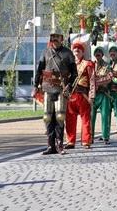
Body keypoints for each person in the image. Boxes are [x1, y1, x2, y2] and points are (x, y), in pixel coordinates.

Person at [33, 25, 77, 155]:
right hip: (47, 87)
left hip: (61, 89)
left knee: (60, 116)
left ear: (61, 38)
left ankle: (59, 145)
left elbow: (74, 73)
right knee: (47, 117)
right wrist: (36, 85)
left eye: (56, 37)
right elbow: (39, 70)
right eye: (52, 37)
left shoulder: (68, 53)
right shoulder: (45, 52)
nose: (54, 39)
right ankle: (50, 145)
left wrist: (69, 85)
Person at [65, 41, 95, 149]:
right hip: (71, 95)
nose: (76, 50)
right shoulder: (69, 64)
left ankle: (86, 141)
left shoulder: (88, 64)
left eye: (79, 49)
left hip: (83, 95)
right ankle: (70, 141)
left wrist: (92, 95)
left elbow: (92, 80)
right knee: (70, 119)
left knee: (86, 119)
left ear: (83, 52)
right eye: (74, 49)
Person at [91, 47, 113, 144]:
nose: (98, 54)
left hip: (104, 94)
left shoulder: (107, 66)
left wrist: (96, 82)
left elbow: (109, 78)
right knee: (91, 116)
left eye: (100, 52)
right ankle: (89, 137)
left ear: (102, 55)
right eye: (96, 52)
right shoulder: (90, 65)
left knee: (105, 116)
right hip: (92, 94)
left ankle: (105, 137)